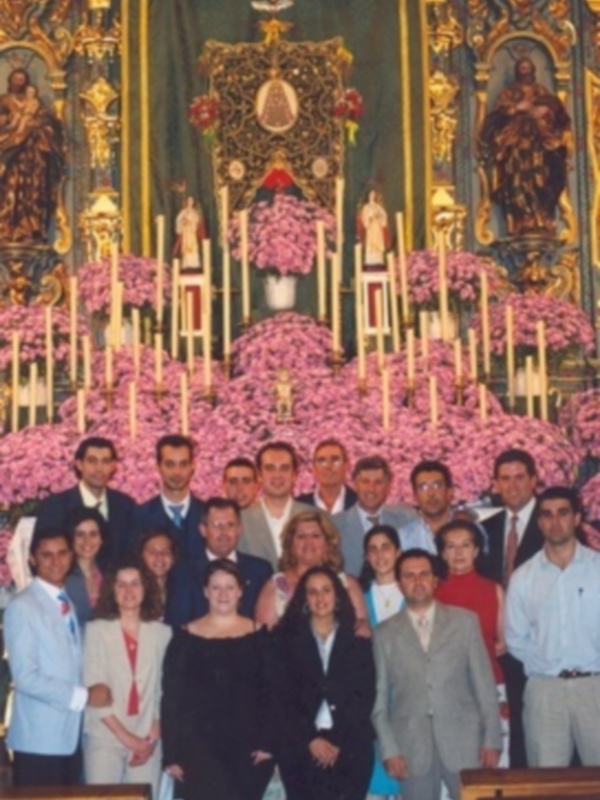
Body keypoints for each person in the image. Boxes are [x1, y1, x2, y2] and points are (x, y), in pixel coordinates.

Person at [372, 549, 502, 800]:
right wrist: (389, 749)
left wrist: (491, 739)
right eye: (409, 576)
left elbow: (484, 686)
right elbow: (379, 699)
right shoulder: (384, 634)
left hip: (465, 743)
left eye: (424, 574)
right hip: (410, 746)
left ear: (435, 580)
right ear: (399, 584)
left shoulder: (465, 622)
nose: (417, 581)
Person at [4, 527, 111, 786]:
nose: (56, 561)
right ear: (32, 559)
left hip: (68, 736)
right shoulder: (22, 606)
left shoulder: (65, 601)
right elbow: (26, 678)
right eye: (46, 555)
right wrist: (84, 696)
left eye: (62, 553)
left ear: (71, 556)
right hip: (39, 740)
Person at [162, 559, 275, 800]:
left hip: (249, 749)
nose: (223, 594)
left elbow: (272, 694)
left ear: (240, 591)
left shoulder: (261, 637)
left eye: (230, 586)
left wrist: (268, 742)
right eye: (216, 587)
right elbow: (172, 700)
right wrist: (171, 755)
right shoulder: (184, 638)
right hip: (197, 750)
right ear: (205, 591)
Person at [505, 487, 600, 767]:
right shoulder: (523, 577)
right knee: (546, 784)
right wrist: (545, 664)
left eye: (563, 513)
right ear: (539, 522)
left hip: (594, 687)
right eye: (546, 515)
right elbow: (515, 639)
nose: (555, 521)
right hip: (545, 691)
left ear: (577, 518)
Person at [275, 565, 375, 800]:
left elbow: (365, 695)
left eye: (326, 590)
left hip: (350, 747)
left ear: (338, 595)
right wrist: (310, 738)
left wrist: (338, 739)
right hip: (301, 747)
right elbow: (282, 697)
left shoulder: (359, 640)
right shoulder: (284, 641)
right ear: (304, 598)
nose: (320, 598)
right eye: (313, 592)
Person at [83, 560, 171, 797]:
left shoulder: (162, 633)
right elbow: (95, 691)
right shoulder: (95, 630)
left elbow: (165, 689)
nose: (128, 591)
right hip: (107, 734)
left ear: (146, 589)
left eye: (135, 584)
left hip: (148, 736)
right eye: (121, 585)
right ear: (111, 590)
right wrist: (127, 739)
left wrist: (153, 734)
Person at [481, 447, 543, 768]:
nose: (513, 485)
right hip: (497, 647)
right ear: (496, 484)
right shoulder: (487, 528)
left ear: (533, 480)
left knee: (540, 736)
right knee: (508, 732)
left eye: (520, 477)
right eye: (505, 479)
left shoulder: (552, 523)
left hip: (539, 646)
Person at [478, 56, 571, 237]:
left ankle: (541, 217)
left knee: (541, 180)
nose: (525, 70)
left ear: (533, 70)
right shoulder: (509, 93)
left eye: (528, 67)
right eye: (522, 67)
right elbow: (498, 116)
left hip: (539, 145)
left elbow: (558, 114)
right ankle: (521, 219)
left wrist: (546, 112)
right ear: (517, 71)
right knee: (517, 181)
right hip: (516, 146)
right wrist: (517, 108)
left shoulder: (541, 91)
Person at [165, 497, 272, 626]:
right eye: (216, 525)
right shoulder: (182, 573)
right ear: (203, 530)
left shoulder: (260, 571)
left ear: (239, 529)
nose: (224, 533)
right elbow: (176, 626)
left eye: (230, 525)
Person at [254, 509, 368, 629]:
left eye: (316, 536)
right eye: (301, 536)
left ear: (328, 543)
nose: (308, 542)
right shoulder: (275, 587)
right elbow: (264, 640)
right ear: (290, 544)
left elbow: (361, 635)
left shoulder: (348, 585)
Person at [34, 436, 135, 567]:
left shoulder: (126, 506)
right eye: (92, 461)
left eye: (105, 461)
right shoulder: (54, 507)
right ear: (79, 464)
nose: (99, 468)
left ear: (113, 466)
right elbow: (43, 558)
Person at [359, 525, 404, 800]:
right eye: (372, 549)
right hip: (371, 694)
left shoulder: (414, 594)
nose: (380, 555)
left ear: (398, 552)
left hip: (407, 696)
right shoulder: (358, 598)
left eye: (386, 547)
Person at [435, 520, 506, 686]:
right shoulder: (432, 591)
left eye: (465, 545)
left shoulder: (493, 589)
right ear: (443, 553)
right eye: (451, 546)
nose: (458, 552)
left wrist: (477, 659)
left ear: (476, 551)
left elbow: (504, 643)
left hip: (487, 677)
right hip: (444, 680)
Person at [0, 68, 65, 244]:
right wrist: (12, 126)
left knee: (32, 193)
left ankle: (30, 226)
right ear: (10, 81)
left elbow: (51, 125)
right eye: (16, 79)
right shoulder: (4, 101)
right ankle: (7, 227)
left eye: (22, 79)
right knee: (10, 190)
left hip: (32, 157)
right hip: (10, 155)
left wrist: (36, 128)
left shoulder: (37, 105)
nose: (19, 82)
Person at [332, 456, 417, 577]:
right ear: (355, 484)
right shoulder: (335, 525)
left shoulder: (406, 519)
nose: (371, 489)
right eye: (365, 482)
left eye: (378, 482)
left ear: (388, 486)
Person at [239, 442, 312, 569]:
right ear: (259, 475)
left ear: (294, 475)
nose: (277, 475)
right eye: (270, 468)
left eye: (284, 468)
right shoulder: (241, 521)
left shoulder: (315, 517)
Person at [132, 434, 204, 561]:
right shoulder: (139, 517)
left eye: (183, 464)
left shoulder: (206, 514)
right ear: (158, 467)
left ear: (193, 466)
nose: (177, 472)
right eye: (170, 464)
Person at [400, 460, 456, 554]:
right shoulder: (404, 537)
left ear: (449, 491)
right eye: (423, 488)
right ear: (415, 496)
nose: (431, 493)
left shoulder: (470, 530)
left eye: (437, 485)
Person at [65, 508, 107, 628]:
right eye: (80, 534)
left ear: (102, 539)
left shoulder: (108, 574)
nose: (87, 541)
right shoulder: (63, 577)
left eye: (93, 534)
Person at [296, 439, 357, 513]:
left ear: (347, 465)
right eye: (322, 461)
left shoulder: (362, 503)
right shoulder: (299, 506)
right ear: (314, 468)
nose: (328, 466)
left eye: (335, 460)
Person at [135, 529, 177, 615]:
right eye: (152, 552)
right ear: (141, 556)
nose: (159, 557)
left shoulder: (182, 591)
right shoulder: (132, 590)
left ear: (173, 558)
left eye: (165, 552)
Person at [357, 189, 390, 266]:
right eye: (371, 195)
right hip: (371, 228)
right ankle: (370, 260)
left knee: (378, 242)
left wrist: (379, 216)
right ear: (368, 196)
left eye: (373, 195)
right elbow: (364, 218)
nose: (372, 196)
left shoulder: (378, 207)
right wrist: (370, 218)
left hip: (377, 228)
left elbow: (384, 215)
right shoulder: (366, 207)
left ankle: (378, 259)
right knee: (371, 243)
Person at [173, 196, 205, 270]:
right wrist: (182, 221)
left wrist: (190, 222)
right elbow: (178, 220)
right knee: (186, 249)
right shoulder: (184, 211)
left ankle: (194, 264)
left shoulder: (195, 212)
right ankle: (186, 263)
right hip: (186, 232)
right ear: (187, 202)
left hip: (192, 232)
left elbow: (197, 222)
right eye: (189, 201)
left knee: (193, 247)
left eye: (192, 201)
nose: (190, 202)